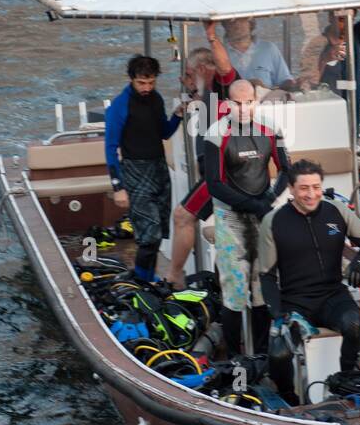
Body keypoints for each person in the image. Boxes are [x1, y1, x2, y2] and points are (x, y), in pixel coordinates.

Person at [258, 159, 360, 400]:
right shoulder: (273, 221)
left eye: (316, 187)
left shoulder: (335, 210)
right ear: (292, 190)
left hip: (332, 297)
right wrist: (277, 314)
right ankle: (289, 398)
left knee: (353, 325)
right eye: (304, 188)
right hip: (295, 303)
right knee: (279, 352)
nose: (311, 194)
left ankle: (345, 383)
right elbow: (266, 276)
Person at [200, 78, 291, 355]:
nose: (242, 109)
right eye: (236, 104)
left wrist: (271, 198)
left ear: (256, 102)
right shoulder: (216, 134)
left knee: (261, 285)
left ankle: (262, 354)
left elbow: (286, 169)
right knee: (235, 289)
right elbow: (214, 184)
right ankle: (235, 356)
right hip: (231, 217)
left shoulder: (270, 129)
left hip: (262, 212)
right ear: (227, 105)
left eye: (248, 103)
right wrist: (253, 205)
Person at [166, 23, 238, 286]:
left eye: (187, 74)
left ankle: (174, 277)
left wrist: (211, 37)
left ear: (201, 70)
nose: (184, 80)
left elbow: (225, 67)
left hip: (223, 175)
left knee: (182, 215)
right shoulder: (205, 98)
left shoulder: (220, 87)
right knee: (220, 227)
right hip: (213, 174)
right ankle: (216, 282)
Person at [104, 56, 183, 282]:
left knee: (158, 233)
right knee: (149, 234)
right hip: (135, 171)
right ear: (132, 79)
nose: (147, 88)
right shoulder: (120, 105)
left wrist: (177, 116)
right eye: (141, 83)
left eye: (151, 83)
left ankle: (147, 277)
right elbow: (110, 148)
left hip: (159, 169)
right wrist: (117, 186)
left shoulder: (156, 99)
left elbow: (164, 133)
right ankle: (141, 280)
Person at [300, 6, 360, 126]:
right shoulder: (316, 44)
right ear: (330, 17)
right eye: (341, 20)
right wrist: (325, 58)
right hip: (325, 112)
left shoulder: (355, 36)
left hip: (352, 110)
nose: (346, 25)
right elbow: (307, 84)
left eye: (350, 19)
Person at [220, 18, 293, 88]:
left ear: (251, 23)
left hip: (266, 100)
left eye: (242, 19)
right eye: (231, 20)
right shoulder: (218, 54)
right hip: (229, 101)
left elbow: (284, 81)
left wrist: (294, 85)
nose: (237, 23)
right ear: (224, 24)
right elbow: (212, 92)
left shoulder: (269, 48)